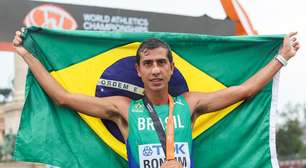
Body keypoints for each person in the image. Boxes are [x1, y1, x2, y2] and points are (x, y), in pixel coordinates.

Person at [13, 30, 299, 168]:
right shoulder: (123, 109)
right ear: (137, 71)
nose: (156, 69)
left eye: (162, 63)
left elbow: (244, 91)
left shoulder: (191, 104)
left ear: (172, 68)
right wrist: (28, 55)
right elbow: (62, 98)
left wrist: (282, 57)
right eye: (148, 63)